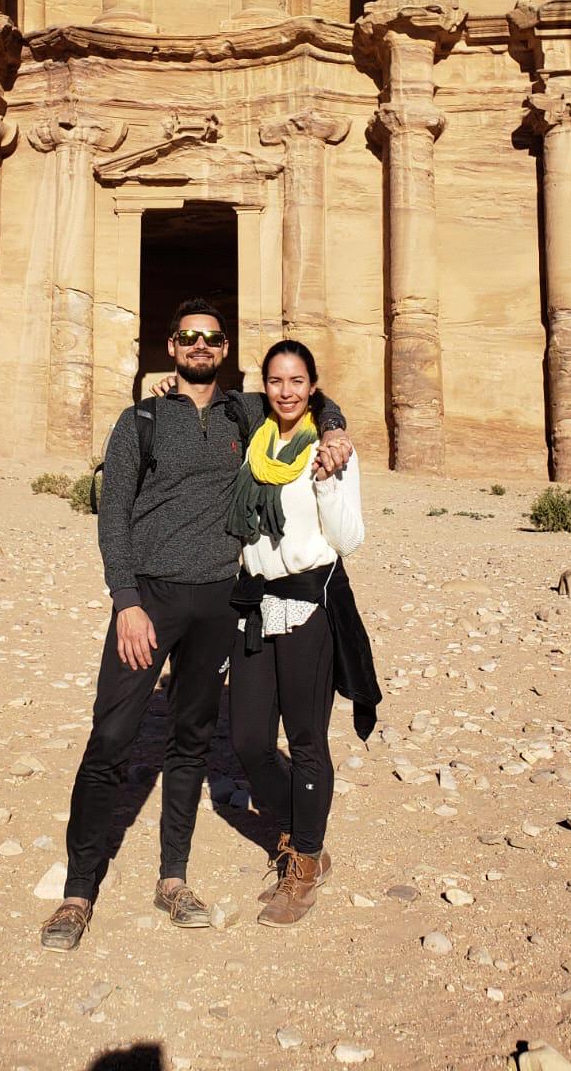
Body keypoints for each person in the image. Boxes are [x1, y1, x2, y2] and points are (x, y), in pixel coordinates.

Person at [40, 300, 353, 952]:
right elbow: (113, 514)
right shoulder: (141, 419)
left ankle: (173, 880)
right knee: (110, 739)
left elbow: (308, 399)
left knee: (189, 741)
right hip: (149, 601)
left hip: (220, 602)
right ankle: (77, 891)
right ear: (172, 346)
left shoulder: (246, 410)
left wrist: (335, 430)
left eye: (210, 338)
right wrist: (125, 599)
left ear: (225, 347)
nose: (200, 346)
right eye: (188, 337)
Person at [227, 338, 381, 927]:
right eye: (276, 381)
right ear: (264, 386)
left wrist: (327, 481)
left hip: (308, 605)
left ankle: (306, 861)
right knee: (249, 741)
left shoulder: (330, 448)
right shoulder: (256, 441)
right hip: (255, 603)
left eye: (297, 381)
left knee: (307, 740)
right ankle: (305, 826)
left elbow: (348, 540)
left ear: (312, 386)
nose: (286, 391)